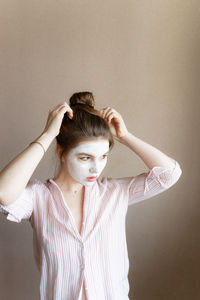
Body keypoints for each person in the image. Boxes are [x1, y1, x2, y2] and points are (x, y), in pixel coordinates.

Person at [0, 91, 182, 300]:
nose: (96, 168)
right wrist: (48, 135)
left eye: (103, 156)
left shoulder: (115, 193)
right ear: (61, 152)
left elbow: (170, 174)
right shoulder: (38, 199)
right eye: (85, 158)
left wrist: (125, 136)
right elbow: (4, 193)